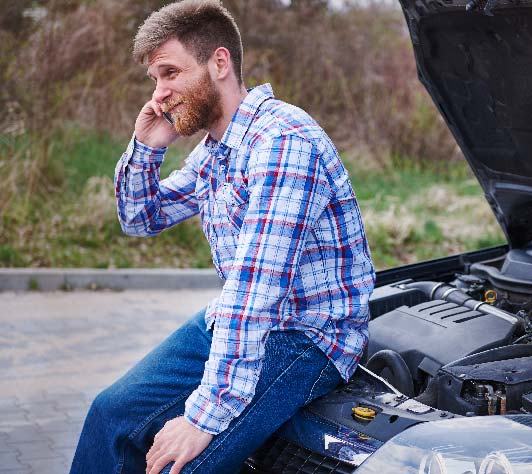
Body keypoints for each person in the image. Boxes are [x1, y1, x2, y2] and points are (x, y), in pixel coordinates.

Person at [70, 1, 375, 472]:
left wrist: (202, 417)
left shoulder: (282, 142)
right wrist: (146, 149)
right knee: (111, 414)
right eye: (154, 79)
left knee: (180, 466)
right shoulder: (217, 150)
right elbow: (140, 217)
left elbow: (256, 292)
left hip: (310, 335)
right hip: (244, 319)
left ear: (218, 62)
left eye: (170, 73)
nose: (160, 93)